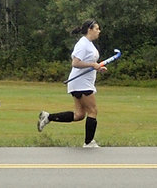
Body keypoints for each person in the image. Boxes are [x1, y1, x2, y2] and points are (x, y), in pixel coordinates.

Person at [37, 19, 106, 148]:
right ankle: (89, 142)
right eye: (97, 28)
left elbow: (88, 63)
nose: (99, 31)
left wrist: (97, 67)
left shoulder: (89, 44)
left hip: (81, 82)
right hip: (81, 83)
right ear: (90, 29)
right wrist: (92, 64)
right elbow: (75, 63)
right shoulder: (83, 44)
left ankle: (48, 117)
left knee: (79, 115)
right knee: (93, 111)